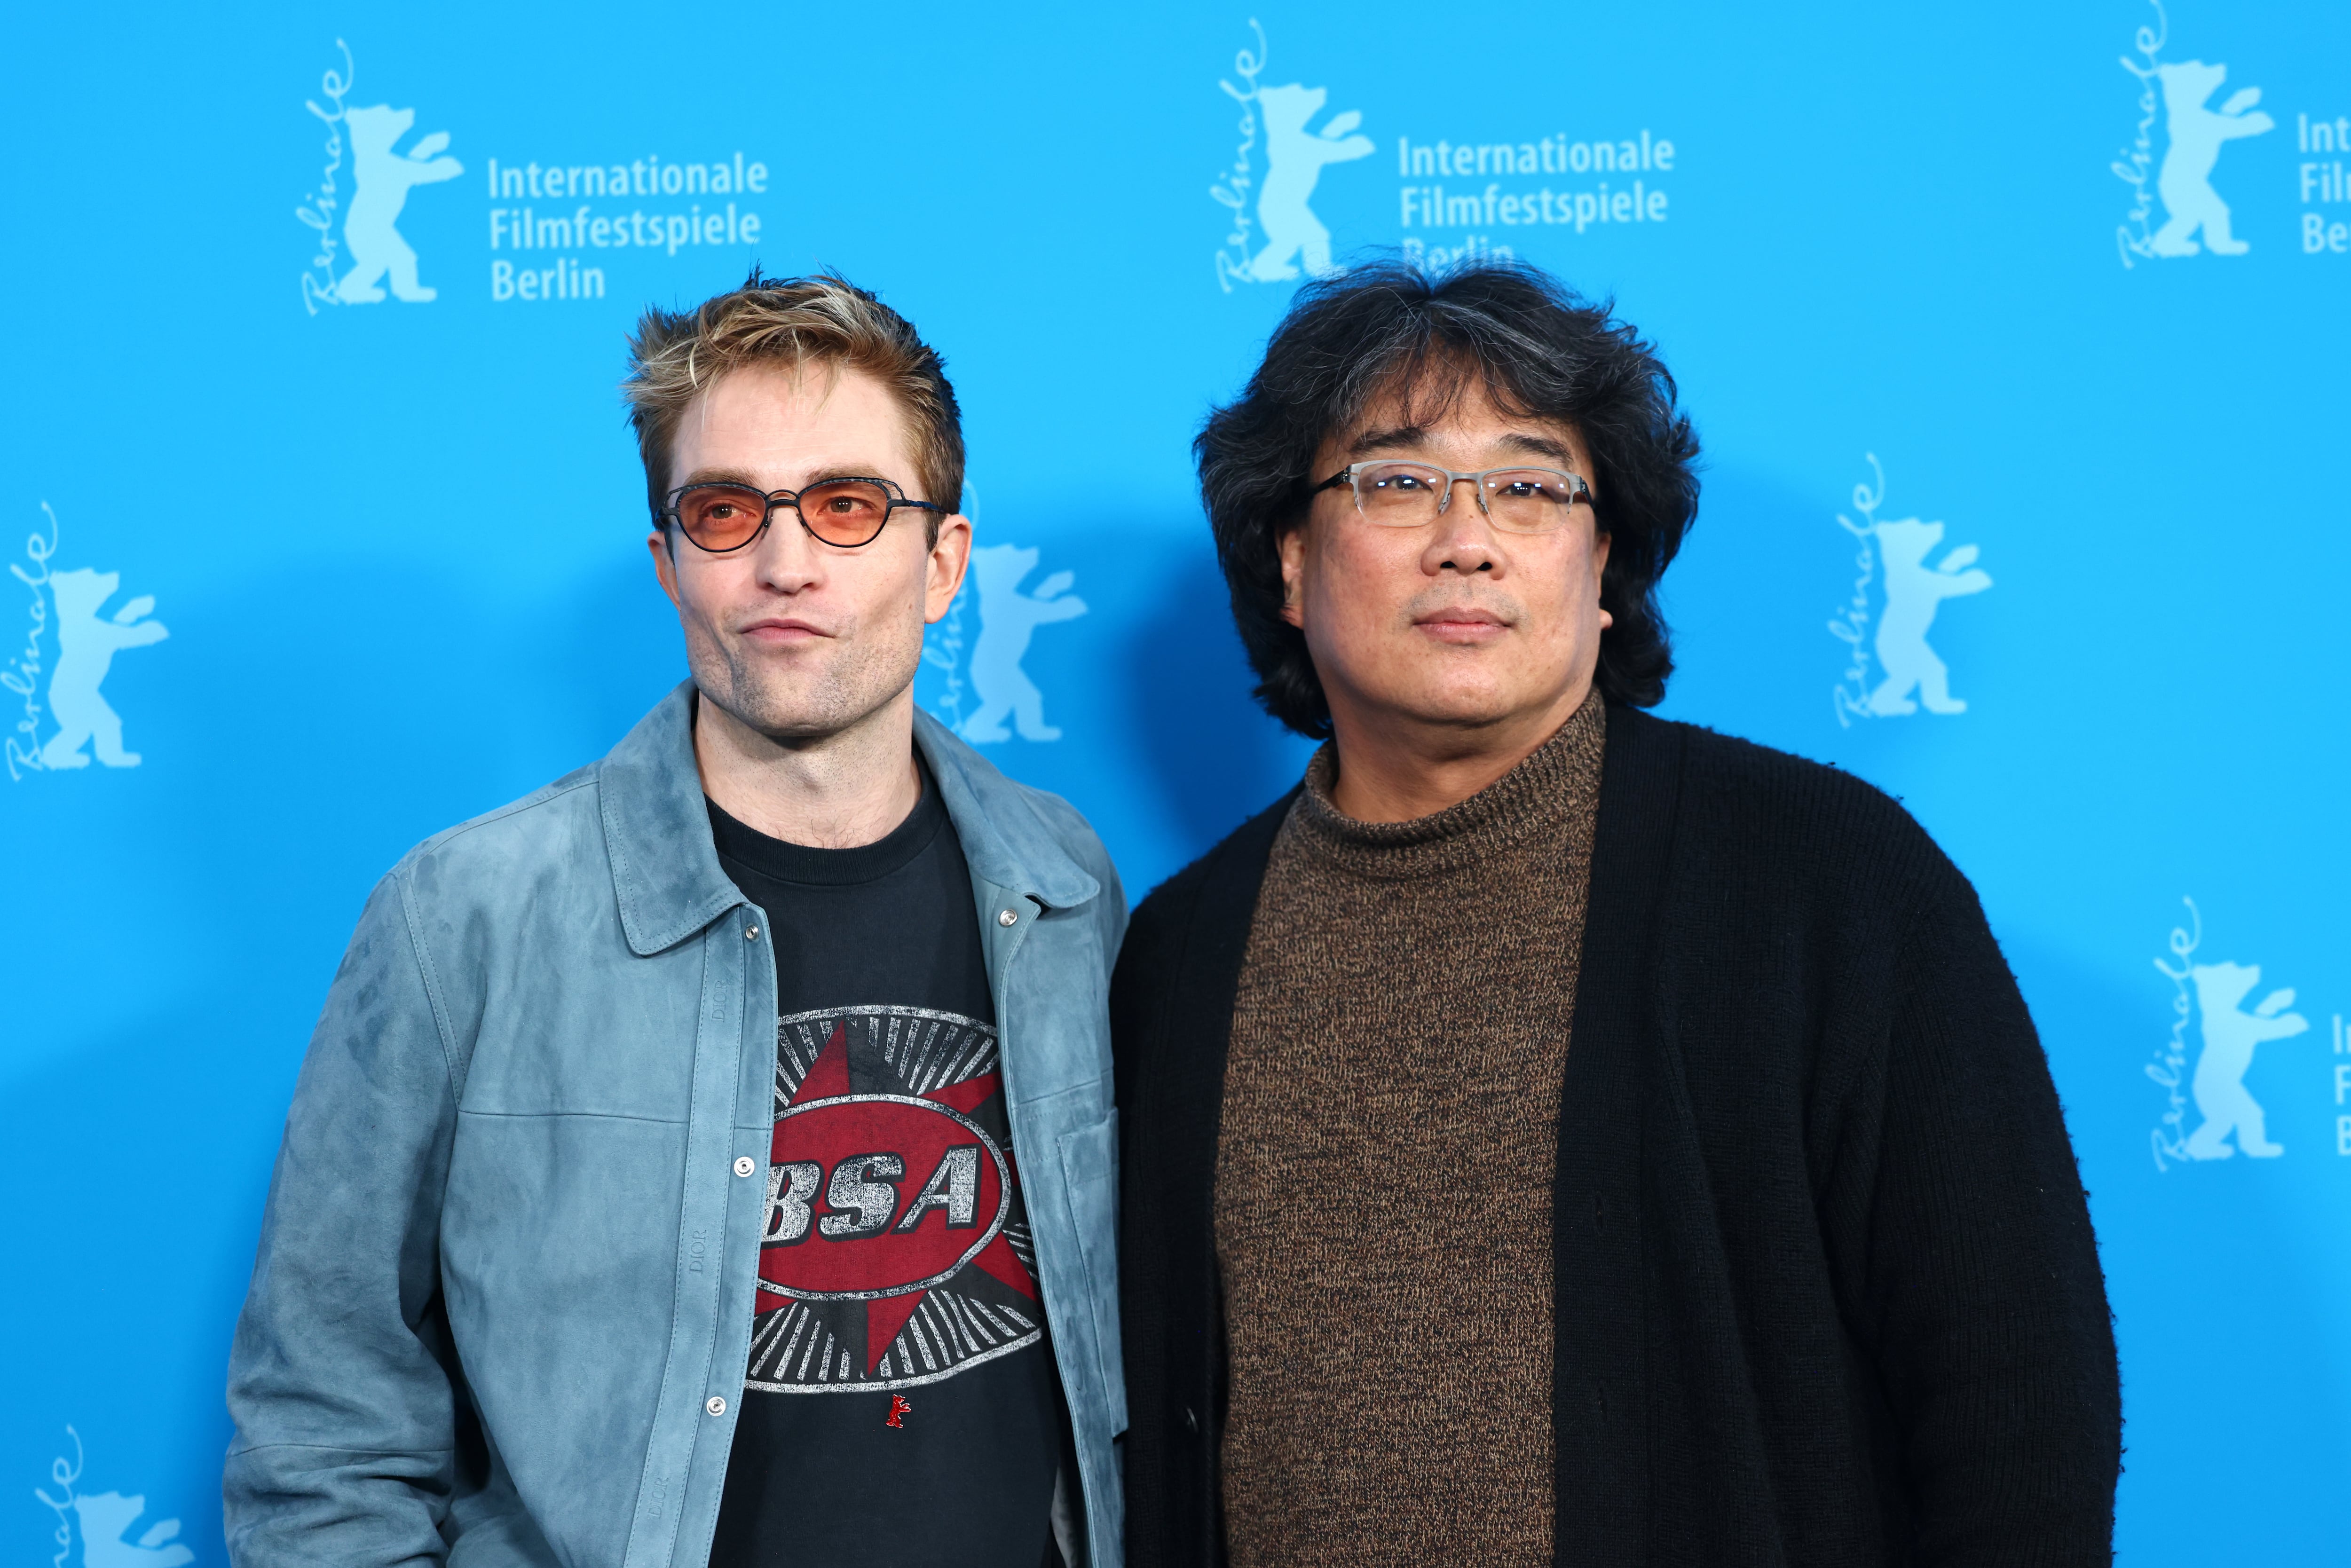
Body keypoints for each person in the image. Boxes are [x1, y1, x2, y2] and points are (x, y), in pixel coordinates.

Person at [1111, 260, 2119, 1568]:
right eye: (1397, 480)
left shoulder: (1826, 881)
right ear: (1292, 563)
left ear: (1601, 569)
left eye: (1530, 487)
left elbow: (2020, 1414)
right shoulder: (1185, 948)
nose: (1464, 537)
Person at [226, 272, 1127, 1568]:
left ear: (944, 564)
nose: (786, 563)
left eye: (847, 504)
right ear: (668, 563)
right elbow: (323, 1424)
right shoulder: (467, 915)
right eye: (724, 511)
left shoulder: (1065, 884)